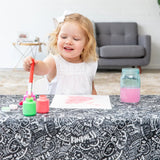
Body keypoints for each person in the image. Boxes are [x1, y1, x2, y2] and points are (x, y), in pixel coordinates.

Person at [23, 13, 98, 95]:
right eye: (64, 37)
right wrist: (33, 65)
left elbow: (92, 89)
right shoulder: (54, 60)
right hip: (58, 107)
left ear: (87, 43)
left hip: (84, 106)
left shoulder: (91, 63)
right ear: (57, 38)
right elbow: (43, 68)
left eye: (76, 39)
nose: (68, 42)